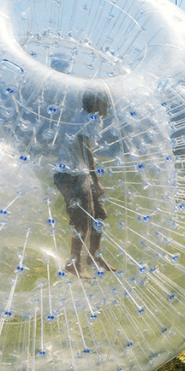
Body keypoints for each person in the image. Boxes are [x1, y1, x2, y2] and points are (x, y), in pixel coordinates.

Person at [54, 90, 113, 278]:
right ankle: (74, 264)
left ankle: (94, 256)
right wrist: (94, 180)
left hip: (79, 174)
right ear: (96, 103)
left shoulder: (93, 119)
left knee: (99, 215)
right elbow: (84, 151)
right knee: (82, 222)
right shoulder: (85, 120)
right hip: (70, 175)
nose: (109, 105)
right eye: (106, 101)